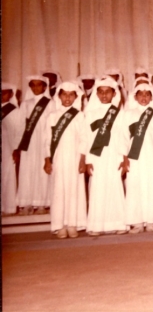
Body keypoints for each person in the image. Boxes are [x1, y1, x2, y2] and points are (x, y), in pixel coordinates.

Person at [119, 83, 153, 233]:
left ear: (152, 97)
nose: (144, 97)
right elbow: (124, 137)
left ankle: (152, 221)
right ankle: (137, 222)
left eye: (147, 95)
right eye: (141, 94)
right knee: (134, 187)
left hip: (151, 155)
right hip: (134, 156)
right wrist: (124, 157)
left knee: (152, 186)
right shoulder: (128, 114)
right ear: (135, 96)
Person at [43, 81, 87, 238]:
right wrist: (47, 160)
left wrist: (82, 160)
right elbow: (47, 140)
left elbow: (84, 139)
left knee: (74, 190)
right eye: (64, 94)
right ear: (59, 96)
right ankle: (59, 225)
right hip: (58, 159)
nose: (67, 98)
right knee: (58, 191)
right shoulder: (52, 116)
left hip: (75, 158)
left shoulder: (80, 115)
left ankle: (72, 224)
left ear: (76, 97)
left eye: (71, 95)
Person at [84, 78, 128, 235]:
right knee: (97, 187)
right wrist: (88, 161)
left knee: (114, 186)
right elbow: (87, 138)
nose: (104, 95)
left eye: (107, 92)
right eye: (101, 92)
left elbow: (123, 136)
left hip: (114, 154)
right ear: (96, 94)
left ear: (114, 93)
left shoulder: (120, 113)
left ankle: (118, 223)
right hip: (97, 156)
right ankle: (96, 225)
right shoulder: (89, 114)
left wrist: (124, 158)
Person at [15, 75, 54, 215]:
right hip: (29, 142)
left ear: (44, 87)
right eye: (33, 85)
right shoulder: (26, 104)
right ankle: (26, 203)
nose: (36, 87)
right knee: (27, 171)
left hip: (44, 141)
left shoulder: (50, 103)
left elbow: (52, 124)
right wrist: (18, 146)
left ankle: (42, 203)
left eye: (39, 85)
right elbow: (20, 125)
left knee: (42, 171)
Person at [2, 83, 20, 215]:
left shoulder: (13, 110)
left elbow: (18, 131)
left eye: (5, 92)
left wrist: (16, 149)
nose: (2, 95)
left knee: (7, 175)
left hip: (8, 148)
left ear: (11, 94)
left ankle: (7, 207)